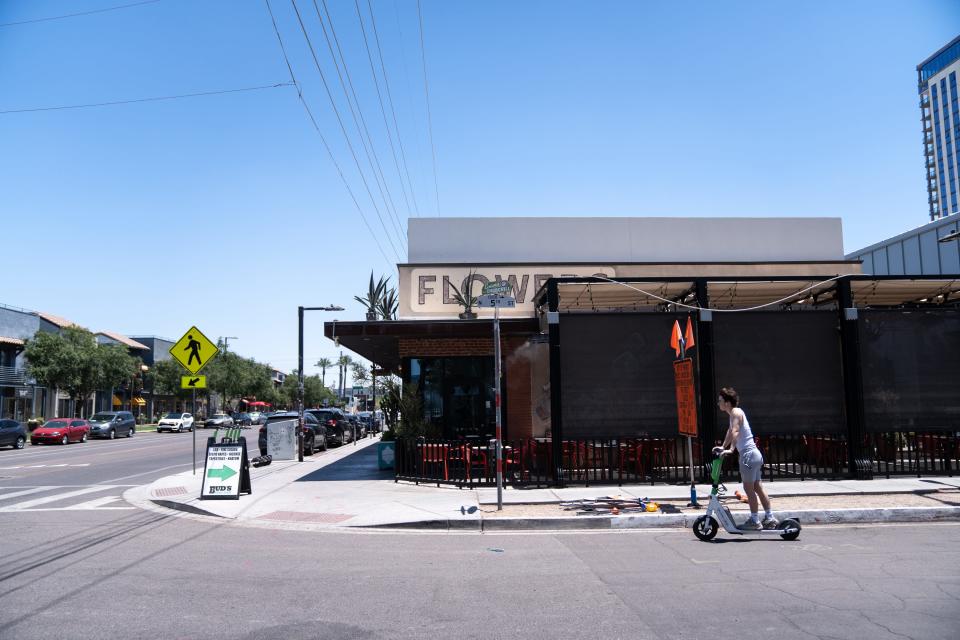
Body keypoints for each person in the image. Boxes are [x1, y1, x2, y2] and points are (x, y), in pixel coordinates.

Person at [714, 387, 777, 530]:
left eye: (720, 401)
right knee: (758, 487)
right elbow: (730, 431)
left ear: (727, 403)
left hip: (748, 455)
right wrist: (723, 447)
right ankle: (769, 517)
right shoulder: (735, 413)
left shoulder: (735, 412)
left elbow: (735, 431)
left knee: (749, 489)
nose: (718, 404)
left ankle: (755, 521)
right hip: (754, 454)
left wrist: (730, 450)